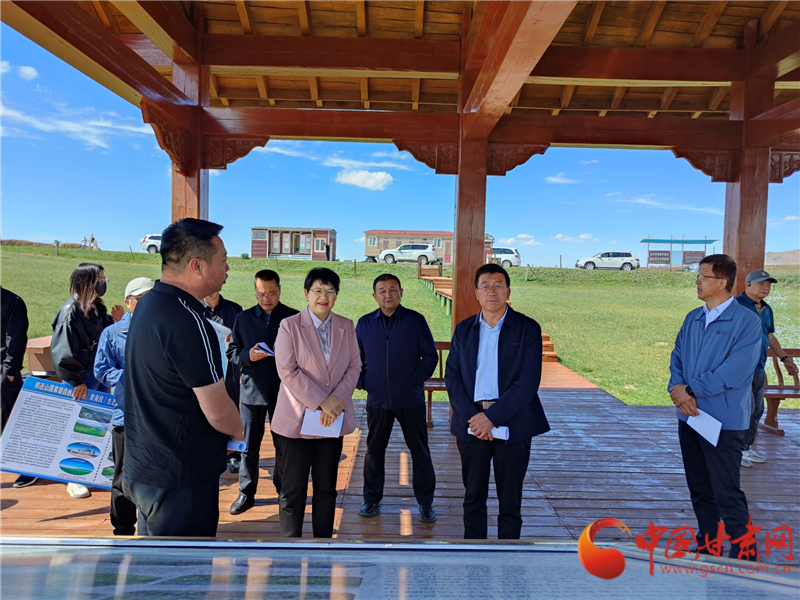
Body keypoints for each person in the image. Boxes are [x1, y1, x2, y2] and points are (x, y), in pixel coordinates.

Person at [123, 219, 243, 537]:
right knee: (183, 567)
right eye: (223, 260)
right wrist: (240, 433)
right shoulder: (189, 320)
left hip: (144, 469)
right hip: (180, 478)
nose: (227, 268)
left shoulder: (148, 304)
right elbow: (218, 412)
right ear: (197, 266)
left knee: (153, 562)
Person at [445, 264, 550, 539]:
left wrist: (492, 418)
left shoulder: (527, 329)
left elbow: (528, 381)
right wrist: (474, 418)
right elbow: (453, 377)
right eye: (485, 286)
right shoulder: (464, 330)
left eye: (498, 286)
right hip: (472, 423)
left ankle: (509, 554)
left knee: (510, 499)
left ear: (508, 292)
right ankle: (474, 553)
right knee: (473, 496)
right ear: (477, 294)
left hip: (513, 422)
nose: (492, 291)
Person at [668, 254, 761, 560]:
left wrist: (691, 390)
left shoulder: (746, 321)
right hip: (690, 417)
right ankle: (708, 547)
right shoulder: (693, 318)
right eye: (698, 276)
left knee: (726, 492)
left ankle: (745, 555)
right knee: (700, 489)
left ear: (722, 282)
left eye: (703, 276)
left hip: (724, 421)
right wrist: (678, 389)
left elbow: (736, 370)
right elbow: (677, 357)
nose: (697, 281)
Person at [272, 267, 361, 538]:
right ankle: (291, 548)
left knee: (326, 488)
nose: (324, 296)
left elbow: (354, 367)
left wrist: (335, 402)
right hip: (297, 420)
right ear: (306, 293)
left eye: (330, 291)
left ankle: (323, 544)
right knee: (292, 490)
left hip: (331, 420)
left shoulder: (346, 326)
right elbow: (287, 370)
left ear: (336, 296)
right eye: (318, 290)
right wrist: (323, 401)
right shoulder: (289, 326)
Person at [356, 274, 438, 523]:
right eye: (382, 290)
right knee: (374, 450)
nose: (388, 295)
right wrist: (365, 382)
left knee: (420, 451)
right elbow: (355, 359)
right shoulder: (365, 323)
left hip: (410, 399)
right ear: (375, 296)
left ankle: (426, 502)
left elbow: (430, 356)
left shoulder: (415, 320)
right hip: (378, 400)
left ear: (401, 292)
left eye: (393, 289)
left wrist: (415, 379)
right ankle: (371, 498)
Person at [227, 270, 299, 515]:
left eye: (271, 293)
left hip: (285, 393)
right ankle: (246, 493)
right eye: (261, 293)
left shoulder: (293, 318)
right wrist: (248, 355)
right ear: (255, 292)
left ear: (279, 290)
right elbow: (233, 353)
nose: (266, 298)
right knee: (249, 446)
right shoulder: (243, 318)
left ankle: (284, 490)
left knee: (284, 445)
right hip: (251, 392)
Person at [51, 263, 123, 499]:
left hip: (98, 372)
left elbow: (105, 335)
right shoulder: (70, 312)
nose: (103, 283)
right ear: (87, 281)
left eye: (104, 279)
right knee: (79, 425)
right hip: (81, 377)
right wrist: (75, 380)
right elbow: (62, 350)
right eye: (99, 279)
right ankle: (73, 478)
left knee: (99, 423)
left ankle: (95, 470)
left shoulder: (97, 308)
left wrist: (117, 321)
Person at [94, 277, 154, 535]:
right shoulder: (112, 333)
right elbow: (101, 370)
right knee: (123, 476)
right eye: (140, 299)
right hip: (126, 415)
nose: (147, 304)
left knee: (155, 475)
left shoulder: (163, 330)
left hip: (158, 416)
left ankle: (153, 528)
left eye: (151, 299)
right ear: (128, 302)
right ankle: (122, 528)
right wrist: (130, 375)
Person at [737, 270, 799, 442]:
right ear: (748, 284)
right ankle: (736, 449)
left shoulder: (767, 309)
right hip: (739, 368)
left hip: (759, 367)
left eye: (768, 285)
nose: (765, 288)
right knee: (743, 409)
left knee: (757, 410)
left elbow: (770, 336)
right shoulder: (735, 305)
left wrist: (785, 359)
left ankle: (746, 448)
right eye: (761, 284)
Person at [204, 290, 243, 472]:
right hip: (205, 371)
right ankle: (210, 453)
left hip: (230, 372)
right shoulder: (194, 309)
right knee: (206, 412)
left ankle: (234, 455)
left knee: (232, 410)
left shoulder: (234, 309)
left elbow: (242, 338)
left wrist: (233, 338)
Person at [2, 287, 36, 488]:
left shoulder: (12, 301)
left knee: (14, 423)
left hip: (4, 373)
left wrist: (9, 372)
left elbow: (16, 338)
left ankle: (27, 470)